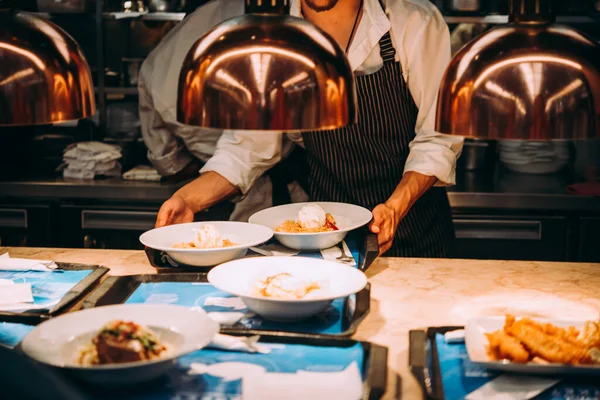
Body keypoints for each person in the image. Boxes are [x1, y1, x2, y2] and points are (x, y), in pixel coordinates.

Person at [156, 0, 464, 257]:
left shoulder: (412, 22)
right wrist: (188, 200)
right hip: (324, 237)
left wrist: (396, 207)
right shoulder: (275, 37)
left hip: (417, 233)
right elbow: (247, 149)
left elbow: (437, 139)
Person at [138, 8, 309, 222]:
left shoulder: (155, 63)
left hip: (243, 192)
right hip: (249, 187)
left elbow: (171, 164)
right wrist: (188, 199)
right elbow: (248, 149)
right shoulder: (273, 21)